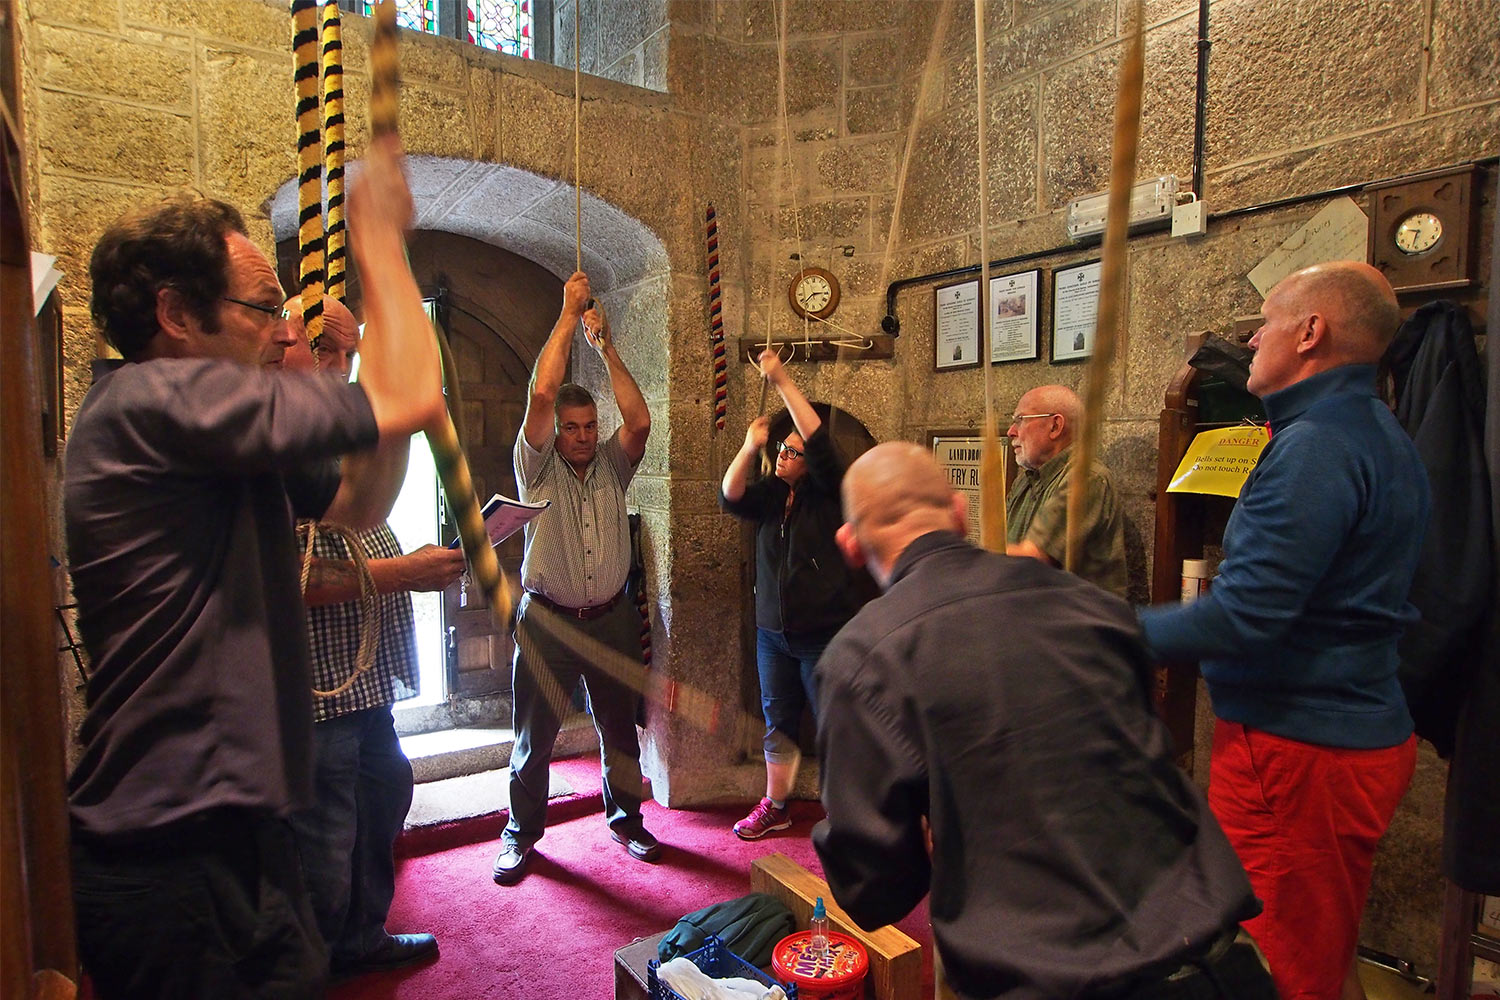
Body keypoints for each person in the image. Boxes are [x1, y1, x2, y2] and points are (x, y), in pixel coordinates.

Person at [63, 135, 446, 999]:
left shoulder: (212, 432)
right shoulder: (154, 400)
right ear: (174, 314)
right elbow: (414, 393)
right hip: (167, 848)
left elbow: (362, 501)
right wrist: (381, 246)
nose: (284, 331)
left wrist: (364, 383)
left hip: (240, 830)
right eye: (262, 308)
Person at [813, 442, 1275, 1000]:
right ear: (960, 514)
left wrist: (937, 830)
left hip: (1063, 980)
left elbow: (872, 891)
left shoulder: (862, 658)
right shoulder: (1089, 604)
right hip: (1225, 961)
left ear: (850, 545)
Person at [1138, 261, 1430, 1000]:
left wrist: (1103, 631)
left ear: (1310, 333)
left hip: (1300, 747)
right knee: (1320, 947)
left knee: (1278, 968)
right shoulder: (1369, 430)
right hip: (1340, 735)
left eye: (1266, 322)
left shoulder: (1315, 449)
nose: (1255, 338)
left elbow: (1245, 616)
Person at [282, 295, 465, 979]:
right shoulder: (277, 438)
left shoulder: (330, 434)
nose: (342, 365)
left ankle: (360, 935)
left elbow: (358, 520)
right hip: (319, 695)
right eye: (327, 348)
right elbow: (293, 575)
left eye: (351, 351)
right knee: (324, 841)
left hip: (364, 690)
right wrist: (403, 571)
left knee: (382, 798)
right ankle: (311, 967)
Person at [493, 270, 656, 885]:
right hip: (547, 620)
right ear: (557, 432)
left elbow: (638, 421)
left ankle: (628, 820)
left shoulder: (614, 464)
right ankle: (520, 834)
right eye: (574, 428)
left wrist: (606, 347)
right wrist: (566, 315)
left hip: (610, 617)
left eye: (590, 427)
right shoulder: (535, 467)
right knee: (534, 737)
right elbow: (540, 397)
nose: (584, 438)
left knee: (619, 729)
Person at [718, 348, 864, 840]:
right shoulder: (771, 494)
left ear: (810, 464)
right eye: (780, 448)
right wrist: (747, 445)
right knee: (777, 721)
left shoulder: (832, 491)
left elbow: (819, 443)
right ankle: (776, 804)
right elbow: (730, 494)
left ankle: (845, 812)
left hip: (822, 635)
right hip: (772, 636)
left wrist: (780, 379)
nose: (783, 454)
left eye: (792, 452)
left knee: (835, 724)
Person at [1004, 384, 1127, 596]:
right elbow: (1001, 545)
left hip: (1076, 623)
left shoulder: (1087, 479)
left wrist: (953, 554)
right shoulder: (1025, 481)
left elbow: (1031, 561)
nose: (1011, 431)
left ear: (1055, 426)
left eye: (1020, 420)